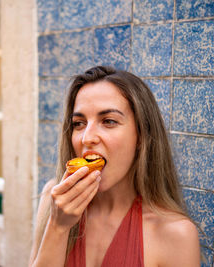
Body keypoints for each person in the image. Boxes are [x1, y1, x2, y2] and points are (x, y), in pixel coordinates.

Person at [29, 66, 200, 267]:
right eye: (78, 123)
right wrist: (57, 228)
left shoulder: (176, 234)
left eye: (108, 121)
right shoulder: (53, 200)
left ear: (141, 136)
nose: (87, 137)